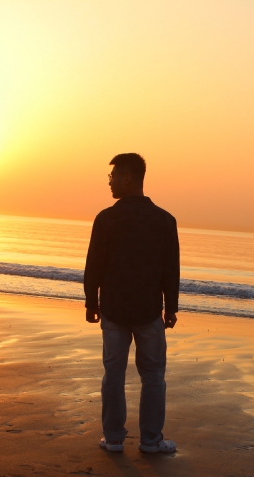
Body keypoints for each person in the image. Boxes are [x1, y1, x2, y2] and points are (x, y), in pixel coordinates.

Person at [84, 153, 179, 454]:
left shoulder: (107, 218)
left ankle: (113, 439)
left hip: (113, 309)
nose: (109, 181)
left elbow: (94, 265)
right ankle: (151, 441)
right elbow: (170, 268)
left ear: (128, 178)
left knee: (114, 374)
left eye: (112, 176)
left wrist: (91, 301)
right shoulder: (164, 219)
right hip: (148, 310)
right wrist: (171, 306)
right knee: (153, 376)